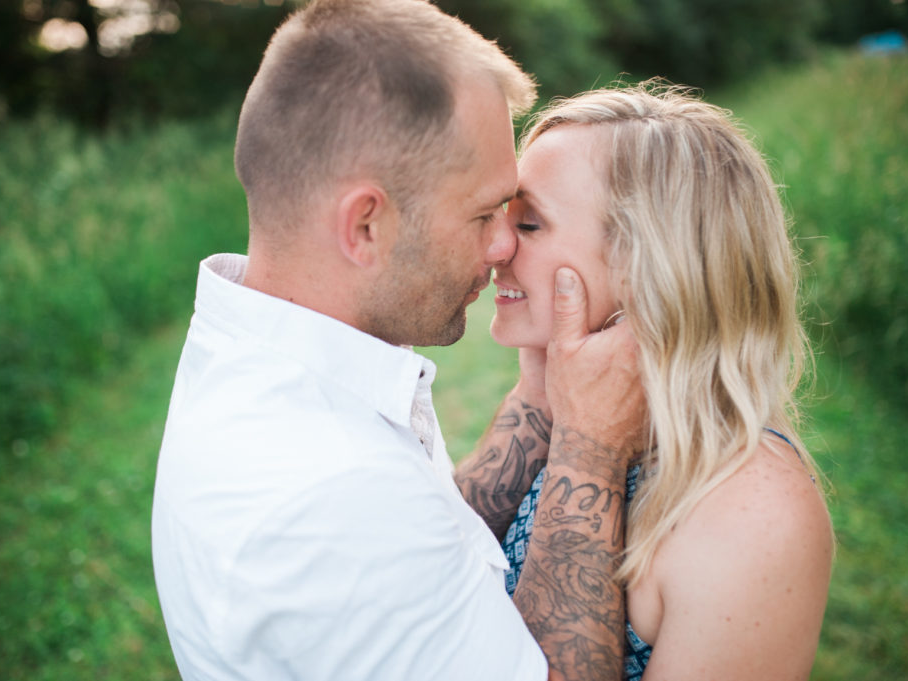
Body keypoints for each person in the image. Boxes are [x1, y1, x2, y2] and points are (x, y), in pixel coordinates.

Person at [151, 2, 646, 680]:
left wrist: (539, 394)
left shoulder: (272, 360)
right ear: (365, 226)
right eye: (482, 214)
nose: (503, 244)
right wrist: (590, 449)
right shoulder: (335, 496)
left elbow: (436, 539)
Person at [461, 82, 834, 680]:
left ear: (649, 265)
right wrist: (540, 392)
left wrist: (587, 443)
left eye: (528, 223)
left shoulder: (755, 510)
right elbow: (437, 566)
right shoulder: (568, 404)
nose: (495, 243)